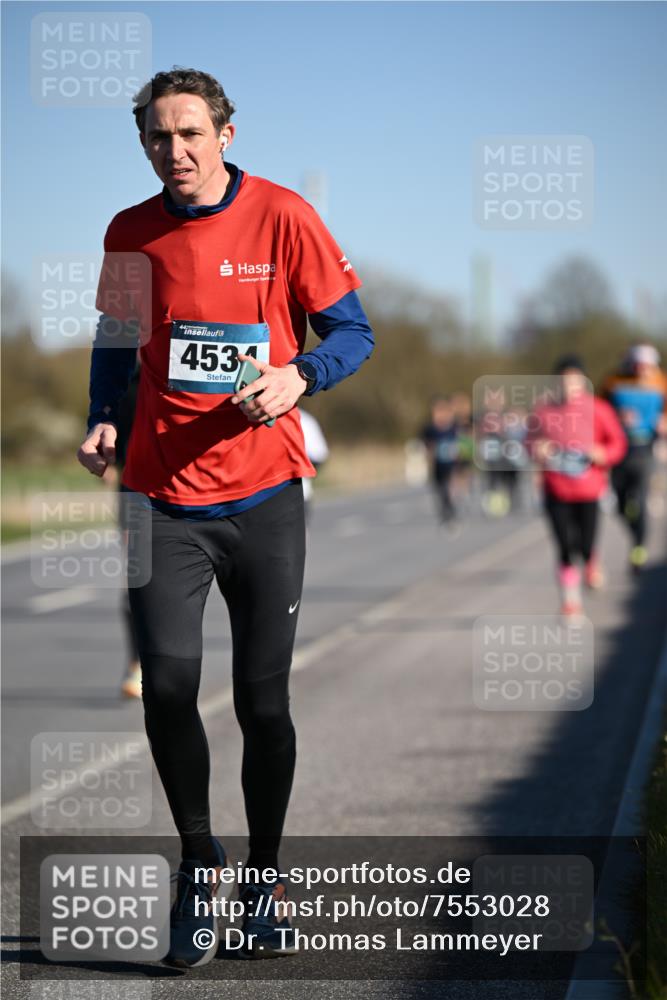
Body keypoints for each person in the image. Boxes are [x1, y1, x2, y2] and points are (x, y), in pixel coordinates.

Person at [76, 67, 374, 966]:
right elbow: (116, 345)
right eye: (159, 138)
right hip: (160, 498)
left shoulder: (283, 216)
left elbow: (352, 331)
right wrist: (103, 416)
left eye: (191, 134)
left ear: (226, 135)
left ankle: (267, 878)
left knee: (261, 703)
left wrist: (299, 376)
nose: (176, 151)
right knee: (166, 688)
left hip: (265, 497)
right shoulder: (130, 232)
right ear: (144, 144)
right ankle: (198, 864)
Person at [527, 355, 627, 616]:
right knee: (563, 547)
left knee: (584, 544)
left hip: (588, 490)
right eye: (563, 380)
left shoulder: (599, 409)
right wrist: (537, 448)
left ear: (583, 381)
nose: (568, 386)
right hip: (555, 489)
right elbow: (527, 442)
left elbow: (618, 443)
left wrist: (602, 453)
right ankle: (570, 602)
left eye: (574, 380)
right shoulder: (543, 410)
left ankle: (591, 561)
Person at [600, 343, 667, 572]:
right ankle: (633, 532)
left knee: (639, 500)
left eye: (647, 366)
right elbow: (600, 409)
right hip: (619, 450)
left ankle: (639, 547)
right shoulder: (614, 382)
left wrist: (664, 422)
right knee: (620, 506)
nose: (642, 370)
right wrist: (616, 417)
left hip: (645, 450)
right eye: (638, 365)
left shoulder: (661, 384)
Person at [421, 395, 460, 527]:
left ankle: (450, 512)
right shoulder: (430, 429)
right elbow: (426, 445)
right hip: (437, 464)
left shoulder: (453, 428)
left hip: (451, 464)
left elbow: (462, 443)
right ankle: (445, 513)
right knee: (439, 489)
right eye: (437, 411)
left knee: (449, 488)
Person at [297, 407, 329, 522]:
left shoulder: (305, 420)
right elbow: (320, 456)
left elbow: (319, 456)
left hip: (299, 493)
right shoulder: (306, 419)